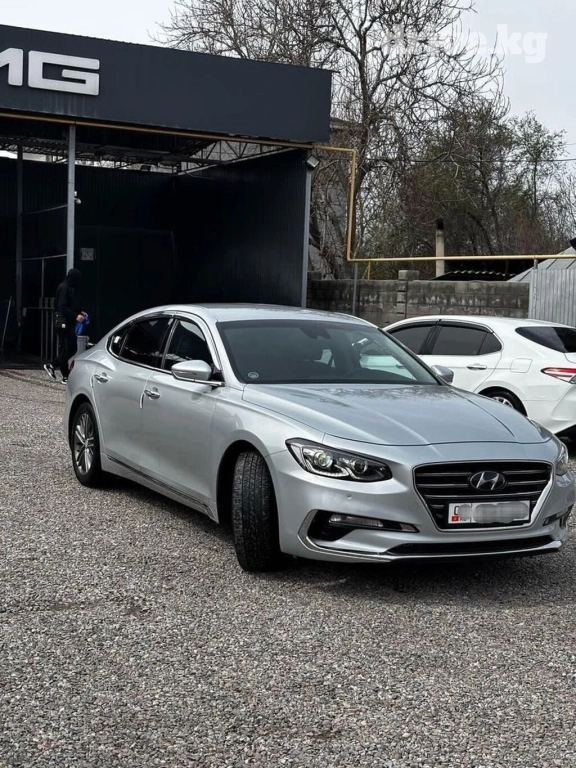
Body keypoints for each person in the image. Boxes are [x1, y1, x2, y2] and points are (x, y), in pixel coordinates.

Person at [43, 268, 87, 383]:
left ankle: (53, 365)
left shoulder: (67, 287)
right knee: (66, 348)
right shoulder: (65, 287)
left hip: (67, 321)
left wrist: (79, 311)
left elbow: (68, 305)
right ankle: (65, 375)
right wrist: (76, 315)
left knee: (71, 348)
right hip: (63, 322)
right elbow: (62, 307)